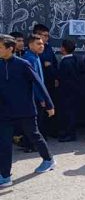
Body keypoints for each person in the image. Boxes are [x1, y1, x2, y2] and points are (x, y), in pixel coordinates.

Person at [0, 34, 56, 188]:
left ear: (9, 48)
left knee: (34, 136)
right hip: (4, 111)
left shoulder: (23, 64)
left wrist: (49, 105)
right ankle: (5, 176)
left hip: (25, 109)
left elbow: (39, 84)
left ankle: (48, 159)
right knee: (4, 143)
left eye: (0, 47)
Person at [34, 24, 58, 138]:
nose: (46, 38)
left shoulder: (48, 48)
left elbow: (53, 62)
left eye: (47, 36)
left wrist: (55, 76)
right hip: (38, 84)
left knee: (50, 108)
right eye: (44, 35)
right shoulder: (32, 52)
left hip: (49, 82)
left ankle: (50, 131)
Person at [23, 34, 46, 145]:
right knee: (34, 122)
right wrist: (41, 98)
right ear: (30, 45)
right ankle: (30, 144)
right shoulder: (30, 59)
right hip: (33, 96)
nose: (42, 46)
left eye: (42, 44)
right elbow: (34, 81)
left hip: (36, 95)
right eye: (38, 44)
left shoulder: (36, 57)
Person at [58, 39, 80, 142]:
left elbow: (63, 78)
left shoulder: (65, 62)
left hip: (67, 92)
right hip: (75, 91)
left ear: (63, 48)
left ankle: (70, 134)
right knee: (72, 112)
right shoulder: (75, 59)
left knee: (68, 113)